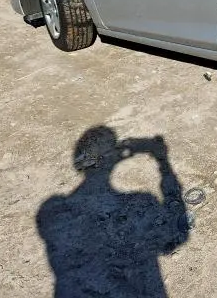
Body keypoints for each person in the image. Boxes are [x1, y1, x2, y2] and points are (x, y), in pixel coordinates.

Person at [36, 127, 188, 298]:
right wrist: (163, 162)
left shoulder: (53, 211)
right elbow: (176, 236)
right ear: (115, 157)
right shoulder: (141, 206)